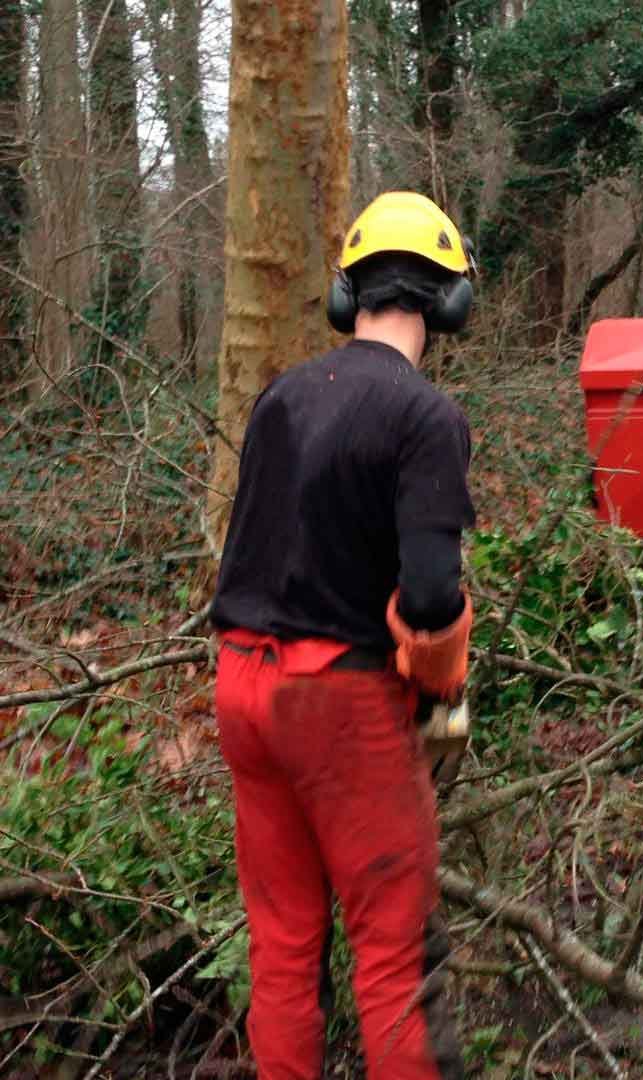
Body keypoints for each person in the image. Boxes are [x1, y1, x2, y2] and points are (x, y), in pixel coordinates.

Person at [211, 191, 476, 1080]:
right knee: (392, 952)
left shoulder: (281, 396)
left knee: (284, 946)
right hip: (338, 703)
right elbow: (432, 594)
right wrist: (439, 687)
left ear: (346, 294)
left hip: (243, 688)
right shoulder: (424, 416)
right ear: (448, 303)